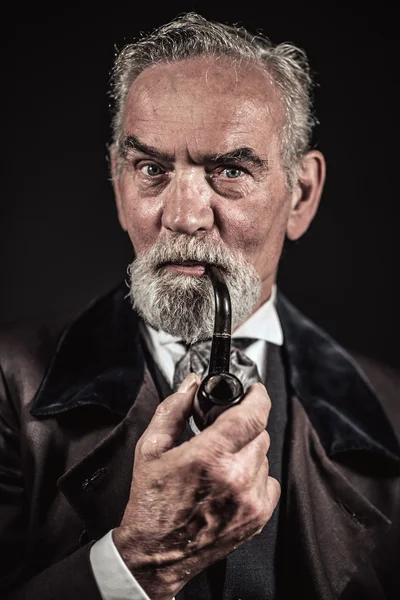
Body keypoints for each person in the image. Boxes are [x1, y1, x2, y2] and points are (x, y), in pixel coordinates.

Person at [1, 11, 399, 600]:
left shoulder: (394, 413)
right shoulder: (7, 388)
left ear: (302, 196)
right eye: (152, 169)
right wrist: (136, 563)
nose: (183, 216)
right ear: (118, 186)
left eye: (230, 170)